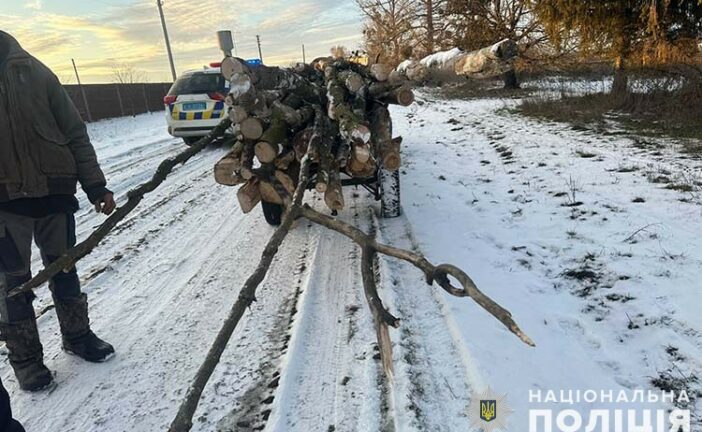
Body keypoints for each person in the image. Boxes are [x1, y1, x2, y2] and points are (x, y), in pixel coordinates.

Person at [0, 30, 116, 392]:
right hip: (4, 204)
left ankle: (78, 337)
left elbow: (74, 131)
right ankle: (27, 362)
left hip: (56, 192)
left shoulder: (36, 72)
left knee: (64, 269)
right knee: (12, 287)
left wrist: (95, 185)